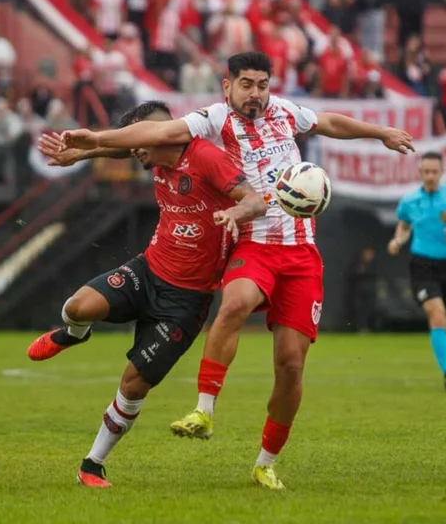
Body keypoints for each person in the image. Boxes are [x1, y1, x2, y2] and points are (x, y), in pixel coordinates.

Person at [50, 51, 414, 490]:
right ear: (228, 86)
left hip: (302, 253)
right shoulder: (214, 120)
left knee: (291, 365)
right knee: (236, 302)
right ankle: (204, 409)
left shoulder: (285, 113)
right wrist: (94, 141)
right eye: (246, 84)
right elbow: (159, 134)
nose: (255, 93)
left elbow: (331, 123)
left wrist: (381, 134)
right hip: (255, 244)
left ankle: (265, 462)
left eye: (262, 84)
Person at [31, 101, 267, 487]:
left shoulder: (205, 158)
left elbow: (255, 200)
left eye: (141, 140)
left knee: (133, 385)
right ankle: (73, 334)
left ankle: (92, 465)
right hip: (149, 271)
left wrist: (235, 214)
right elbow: (121, 146)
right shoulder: (155, 156)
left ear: (162, 135)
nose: (135, 149)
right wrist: (82, 153)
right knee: (76, 307)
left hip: (186, 303)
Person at [388, 152, 446, 390]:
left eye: (434, 171)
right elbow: (404, 225)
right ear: (419, 173)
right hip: (422, 265)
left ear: (441, 172)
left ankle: (441, 342)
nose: (430, 176)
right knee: (437, 315)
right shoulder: (409, 201)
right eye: (426, 172)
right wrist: (398, 240)